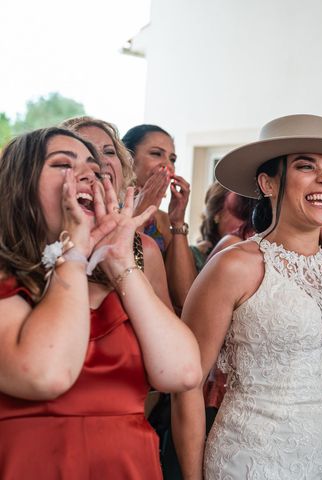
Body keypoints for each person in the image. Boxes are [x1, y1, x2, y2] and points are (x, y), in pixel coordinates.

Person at [171, 114, 322, 479]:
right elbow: (187, 385)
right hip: (250, 459)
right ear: (268, 183)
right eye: (305, 166)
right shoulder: (233, 267)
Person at [0, 128, 201, 478]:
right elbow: (47, 374)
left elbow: (182, 372)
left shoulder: (119, 278)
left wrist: (120, 260)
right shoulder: (6, 277)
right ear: (21, 186)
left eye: (94, 170)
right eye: (63, 164)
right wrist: (74, 254)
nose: (87, 176)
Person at [62, 116, 172, 308]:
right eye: (86, 150)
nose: (100, 161)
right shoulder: (39, 242)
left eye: (109, 152)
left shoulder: (145, 249)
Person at [122, 124, 194, 312]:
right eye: (156, 154)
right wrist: (141, 208)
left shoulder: (162, 220)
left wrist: (178, 221)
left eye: (172, 159)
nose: (168, 165)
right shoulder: (109, 212)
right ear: (128, 158)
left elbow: (184, 297)